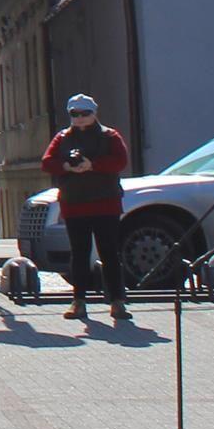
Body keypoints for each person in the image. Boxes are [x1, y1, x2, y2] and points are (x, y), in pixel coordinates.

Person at [40, 94, 133, 325]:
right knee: (79, 254)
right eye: (75, 114)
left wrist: (93, 165)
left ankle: (117, 301)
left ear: (94, 113)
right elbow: (46, 162)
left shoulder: (109, 136)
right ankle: (79, 301)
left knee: (109, 252)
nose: (80, 118)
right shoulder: (62, 138)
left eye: (85, 113)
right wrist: (65, 166)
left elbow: (120, 161)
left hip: (106, 203)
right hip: (74, 204)